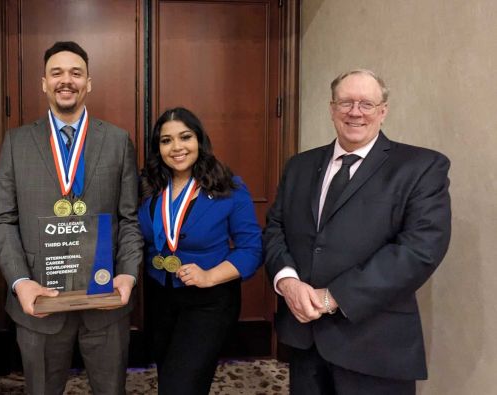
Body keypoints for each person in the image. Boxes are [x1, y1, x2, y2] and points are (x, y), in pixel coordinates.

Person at [263, 69, 451, 394]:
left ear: (383, 110)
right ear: (332, 107)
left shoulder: (421, 167)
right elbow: (276, 228)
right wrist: (288, 281)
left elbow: (420, 249)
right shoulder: (299, 166)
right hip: (305, 340)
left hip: (375, 343)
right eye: (346, 102)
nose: (355, 112)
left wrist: (333, 297)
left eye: (366, 103)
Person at [0, 41, 143, 395]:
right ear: (43, 82)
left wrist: (128, 273)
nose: (66, 80)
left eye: (76, 73)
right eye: (56, 73)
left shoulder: (118, 141)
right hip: (40, 299)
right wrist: (19, 281)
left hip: (106, 300)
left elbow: (129, 218)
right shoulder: (16, 142)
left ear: (89, 82)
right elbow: (3, 220)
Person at [138, 107, 263, 394]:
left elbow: (251, 248)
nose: (177, 147)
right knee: (172, 379)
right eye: (166, 140)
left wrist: (210, 276)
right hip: (159, 297)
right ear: (158, 148)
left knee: (180, 386)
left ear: (199, 141)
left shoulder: (228, 186)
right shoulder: (148, 185)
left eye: (185, 137)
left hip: (209, 301)